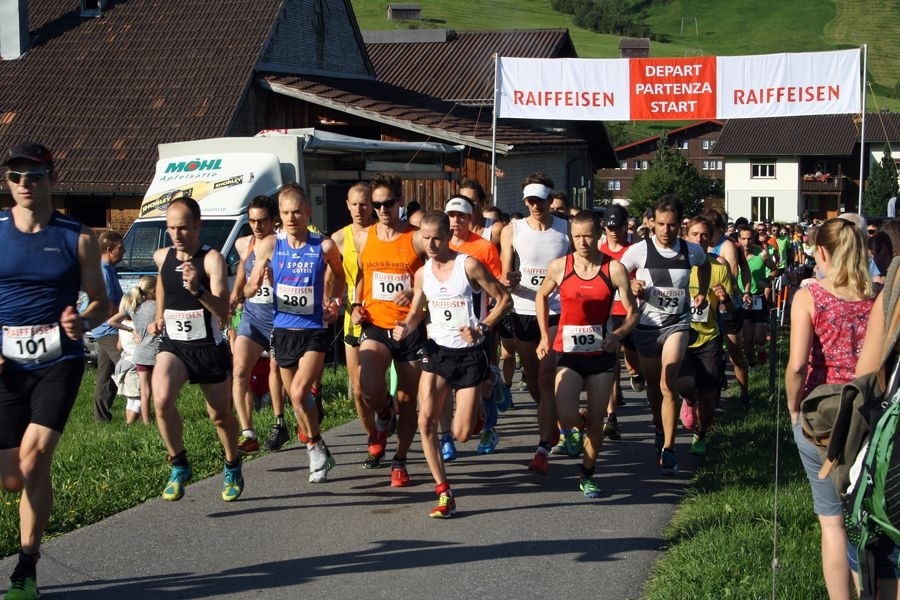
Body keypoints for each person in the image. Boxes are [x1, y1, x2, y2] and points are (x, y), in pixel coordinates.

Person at [0, 142, 110, 600]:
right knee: (11, 477)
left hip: (58, 361)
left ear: (52, 178)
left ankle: (27, 565)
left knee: (33, 460)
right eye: (15, 176)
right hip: (8, 364)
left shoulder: (77, 237)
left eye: (34, 176)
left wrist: (81, 321)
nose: (25, 184)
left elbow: (103, 301)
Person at [394, 210, 511, 517]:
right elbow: (419, 311)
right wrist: (405, 326)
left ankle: (487, 396)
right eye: (425, 238)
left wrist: (483, 328)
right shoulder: (422, 273)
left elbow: (503, 300)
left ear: (448, 237)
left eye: (436, 238)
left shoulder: (468, 265)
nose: (430, 244)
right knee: (426, 422)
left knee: (461, 433)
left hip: (470, 354)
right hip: (437, 353)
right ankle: (444, 491)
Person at [785, 217, 875, 600]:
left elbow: (797, 365)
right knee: (871, 515)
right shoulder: (880, 296)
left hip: (821, 414)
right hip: (870, 412)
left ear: (820, 251)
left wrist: (792, 408)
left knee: (832, 521)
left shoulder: (810, 297)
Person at [147, 196, 244, 502]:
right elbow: (163, 282)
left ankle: (232, 464)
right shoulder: (162, 257)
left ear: (198, 226)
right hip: (174, 345)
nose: (177, 235)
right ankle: (178, 464)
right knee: (161, 400)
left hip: (207, 347)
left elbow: (224, 311)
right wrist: (159, 314)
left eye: (184, 228)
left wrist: (197, 290)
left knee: (220, 416)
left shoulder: (211, 259)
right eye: (171, 228)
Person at [246, 184, 345, 483]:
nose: (291, 219)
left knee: (301, 392)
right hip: (284, 330)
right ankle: (318, 445)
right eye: (286, 213)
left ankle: (314, 448)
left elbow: (340, 276)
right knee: (296, 400)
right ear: (280, 215)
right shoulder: (270, 245)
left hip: (314, 330)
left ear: (307, 213)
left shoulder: (323, 246)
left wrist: (335, 302)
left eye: (297, 212)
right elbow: (250, 286)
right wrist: (257, 282)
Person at [536, 210, 638, 496]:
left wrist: (617, 335)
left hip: (601, 355)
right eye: (577, 236)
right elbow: (541, 296)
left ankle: (587, 473)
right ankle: (574, 426)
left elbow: (633, 313)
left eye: (588, 236)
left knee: (596, 421)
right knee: (565, 413)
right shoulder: (560, 266)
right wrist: (545, 335)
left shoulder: (613, 269)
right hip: (568, 352)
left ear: (599, 235)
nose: (582, 242)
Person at [619, 194, 710, 475]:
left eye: (671, 225)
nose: (666, 231)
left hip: (677, 324)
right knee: (653, 387)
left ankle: (670, 448)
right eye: (660, 224)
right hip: (647, 327)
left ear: (679, 226)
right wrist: (631, 284)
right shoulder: (639, 250)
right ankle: (659, 429)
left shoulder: (691, 250)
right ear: (652, 223)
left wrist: (702, 293)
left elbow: (705, 266)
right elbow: (617, 274)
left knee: (668, 379)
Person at [351, 174, 427, 487]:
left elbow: (433, 275)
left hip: (409, 327)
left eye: (388, 203)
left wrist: (415, 292)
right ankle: (384, 413)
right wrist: (354, 305)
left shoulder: (417, 237)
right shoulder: (362, 237)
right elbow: (360, 277)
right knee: (366, 384)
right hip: (376, 324)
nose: (382, 209)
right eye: (376, 204)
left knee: (408, 400)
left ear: (399, 202)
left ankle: (400, 459)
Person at [500, 173, 570, 475]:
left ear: (550, 199)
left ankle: (543, 446)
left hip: (556, 310)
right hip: (522, 309)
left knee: (544, 375)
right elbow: (505, 273)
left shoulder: (566, 230)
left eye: (540, 200)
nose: (534, 205)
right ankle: (555, 418)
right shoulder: (512, 230)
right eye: (529, 200)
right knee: (531, 379)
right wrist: (509, 279)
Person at [440, 194, 505, 458]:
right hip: (445, 330)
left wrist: (487, 323)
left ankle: (489, 427)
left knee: (483, 384)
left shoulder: (483, 247)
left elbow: (497, 284)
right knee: (444, 386)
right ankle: (446, 438)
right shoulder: (438, 245)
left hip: (478, 328)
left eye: (461, 216)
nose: (455, 221)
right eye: (451, 216)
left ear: (470, 219)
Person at [330, 183, 380, 467]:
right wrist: (331, 303)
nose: (360, 209)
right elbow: (332, 279)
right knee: (359, 389)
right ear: (347, 205)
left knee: (397, 390)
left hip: (386, 314)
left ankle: (387, 413)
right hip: (354, 316)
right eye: (355, 204)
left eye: (365, 204)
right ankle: (373, 438)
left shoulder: (382, 234)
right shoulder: (338, 239)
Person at [228, 195, 281, 454]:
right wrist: (235, 294)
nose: (257, 226)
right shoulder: (244, 243)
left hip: (281, 319)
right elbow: (242, 269)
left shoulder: (281, 244)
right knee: (239, 370)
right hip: (252, 317)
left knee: (278, 373)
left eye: (262, 221)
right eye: (251, 221)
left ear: (273, 220)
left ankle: (280, 421)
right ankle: (248, 431)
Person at [677, 216, 733, 456]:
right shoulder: (677, 266)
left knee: (709, 394)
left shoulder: (719, 268)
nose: (699, 239)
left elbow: (730, 309)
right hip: (680, 335)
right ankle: (689, 400)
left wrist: (725, 299)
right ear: (686, 236)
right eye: (694, 234)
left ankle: (700, 434)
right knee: (687, 386)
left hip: (709, 337)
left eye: (704, 235)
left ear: (711, 239)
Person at [597, 204, 640, 441]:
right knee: (610, 363)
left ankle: (636, 372)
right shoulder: (598, 249)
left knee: (632, 359)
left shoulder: (635, 250)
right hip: (606, 312)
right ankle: (611, 417)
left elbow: (644, 277)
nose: (613, 231)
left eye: (618, 226)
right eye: (609, 226)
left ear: (626, 227)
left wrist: (636, 285)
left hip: (629, 311)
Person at [108, 275, 159, 425]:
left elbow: (112, 321)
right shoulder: (158, 307)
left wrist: (130, 329)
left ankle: (146, 422)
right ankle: (162, 418)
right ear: (154, 290)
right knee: (159, 389)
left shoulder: (134, 308)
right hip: (157, 353)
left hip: (141, 354)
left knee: (144, 391)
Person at [92, 229, 125, 422]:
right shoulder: (104, 272)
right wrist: (128, 315)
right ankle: (138, 415)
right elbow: (108, 307)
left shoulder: (107, 270)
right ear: (109, 248)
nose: (124, 251)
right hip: (109, 330)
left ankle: (101, 418)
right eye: (120, 248)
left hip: (105, 329)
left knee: (106, 375)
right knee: (132, 368)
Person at [736, 224, 777, 367]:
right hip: (741, 297)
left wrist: (766, 280)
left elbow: (774, 269)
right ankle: (752, 365)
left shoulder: (762, 253)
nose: (747, 242)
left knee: (759, 337)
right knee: (747, 336)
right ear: (738, 239)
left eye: (749, 239)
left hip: (758, 298)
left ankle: (760, 349)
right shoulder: (734, 254)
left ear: (753, 238)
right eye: (743, 239)